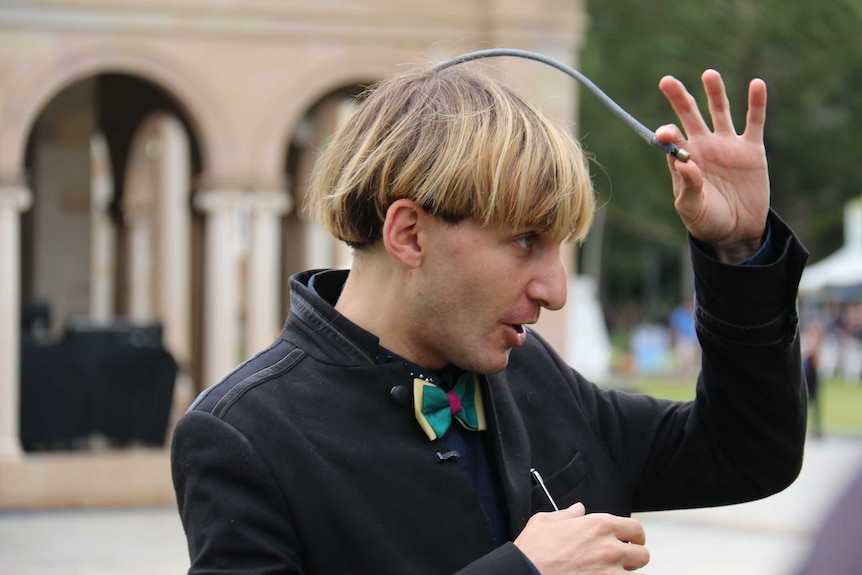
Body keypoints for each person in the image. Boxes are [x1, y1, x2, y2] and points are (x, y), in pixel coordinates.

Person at [171, 60, 809, 574]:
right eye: (526, 240)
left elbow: (746, 452)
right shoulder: (243, 435)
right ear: (410, 234)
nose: (555, 291)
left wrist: (737, 252)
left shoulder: (534, 375)